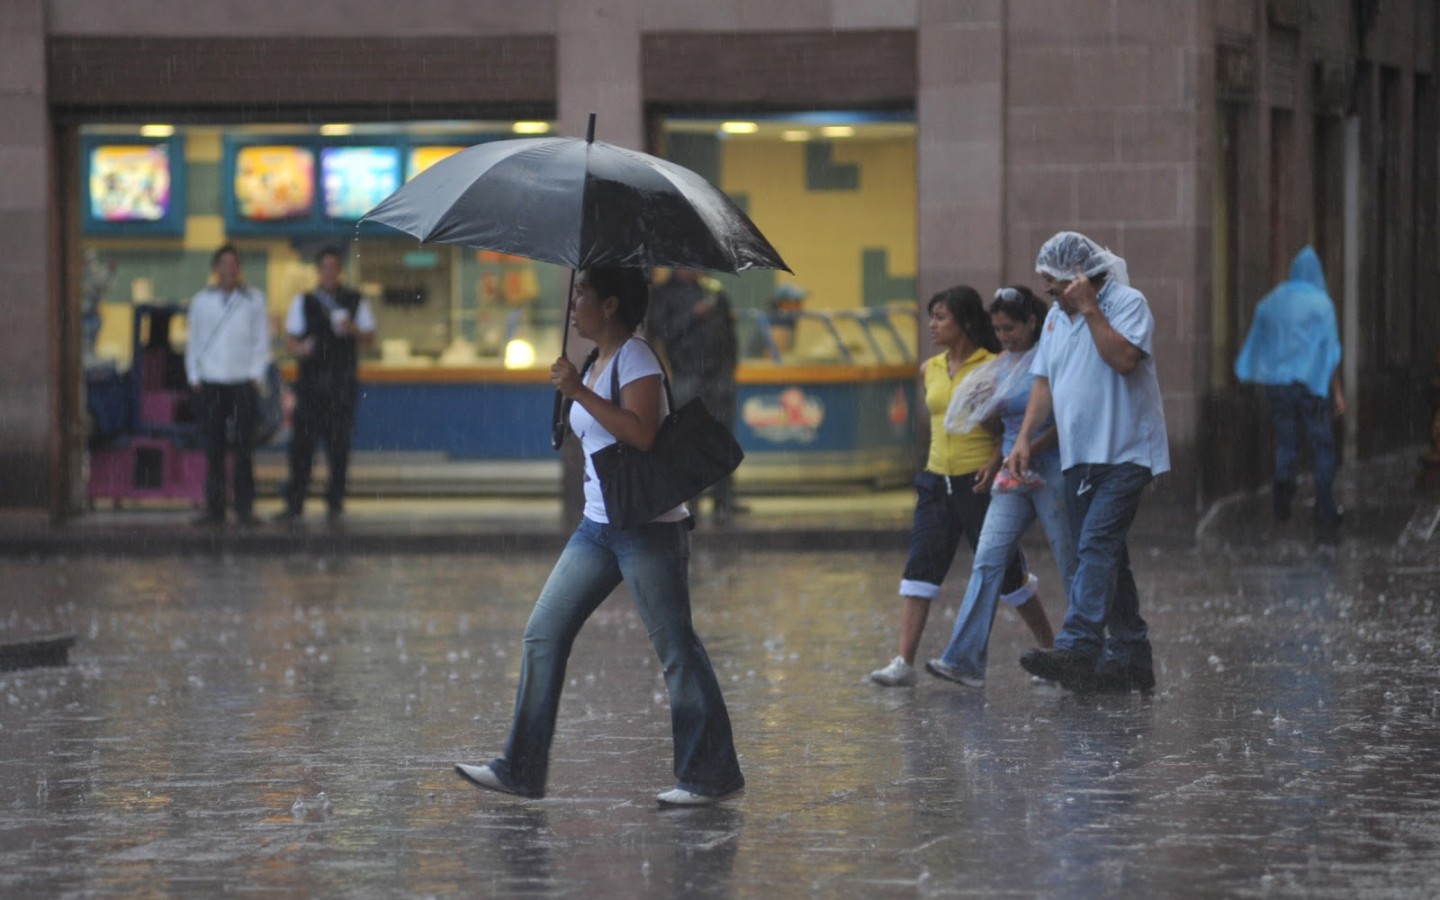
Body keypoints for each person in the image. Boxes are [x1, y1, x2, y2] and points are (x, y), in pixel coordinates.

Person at [455, 267, 744, 806]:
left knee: (677, 649)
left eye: (583, 294)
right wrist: (577, 387)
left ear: (610, 305)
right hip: (597, 525)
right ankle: (520, 767)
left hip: (646, 528)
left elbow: (641, 432)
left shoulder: (635, 356)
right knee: (544, 632)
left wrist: (578, 392)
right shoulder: (595, 359)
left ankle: (710, 775)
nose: (575, 303)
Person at [1008, 232, 1170, 694]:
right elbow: (1043, 383)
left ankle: (1079, 645)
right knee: (1108, 555)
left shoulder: (1127, 303)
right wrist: (1024, 440)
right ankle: (1131, 654)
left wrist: (1090, 309)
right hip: (1079, 457)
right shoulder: (1056, 322)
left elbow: (1123, 360)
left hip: (1126, 451)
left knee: (1096, 545)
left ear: (1078, 278)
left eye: (1052, 283)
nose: (1047, 293)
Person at [868, 285, 1046, 688]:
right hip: (935, 480)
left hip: (978, 482)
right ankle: (903, 661)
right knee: (920, 568)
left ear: (965, 322)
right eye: (931, 316)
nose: (932, 324)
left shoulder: (994, 365)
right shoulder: (928, 368)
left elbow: (1007, 426)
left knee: (1008, 574)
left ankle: (1050, 646)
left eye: (941, 317)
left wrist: (994, 459)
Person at [926, 286, 1070, 688]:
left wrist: (1029, 447)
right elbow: (994, 426)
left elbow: (1066, 423)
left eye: (1011, 328)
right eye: (998, 329)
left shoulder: (1051, 360)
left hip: (1051, 468)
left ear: (1032, 323)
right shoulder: (1001, 366)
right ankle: (965, 659)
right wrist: (984, 409)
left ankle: (1080, 650)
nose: (1004, 336)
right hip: (1011, 473)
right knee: (988, 558)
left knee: (1069, 557)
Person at [1234, 246, 1345, 544]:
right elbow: (1331, 351)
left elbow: (1261, 336)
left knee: (1287, 440)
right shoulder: (1322, 304)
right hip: (1312, 385)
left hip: (1279, 385)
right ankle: (1324, 507)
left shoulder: (1273, 301)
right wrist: (1337, 392)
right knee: (1322, 445)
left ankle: (1283, 483)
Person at [275, 246, 376, 525]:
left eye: (334, 267)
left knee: (339, 447)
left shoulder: (355, 300)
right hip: (310, 385)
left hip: (342, 385)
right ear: (318, 272)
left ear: (339, 271)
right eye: (325, 268)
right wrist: (301, 349)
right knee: (301, 447)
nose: (329, 273)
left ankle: (335, 502)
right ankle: (295, 502)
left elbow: (370, 337)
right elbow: (292, 341)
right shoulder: (304, 302)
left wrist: (352, 329)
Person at [645, 269, 742, 523]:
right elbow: (661, 332)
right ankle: (693, 499)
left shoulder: (713, 290)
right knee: (690, 439)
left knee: (722, 437)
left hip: (719, 374)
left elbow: (730, 331)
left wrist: (730, 368)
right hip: (688, 373)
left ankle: (725, 498)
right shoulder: (664, 294)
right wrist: (693, 315)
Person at [184, 244, 271, 528]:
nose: (229, 269)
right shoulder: (201, 301)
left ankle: (245, 509)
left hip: (243, 383)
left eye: (234, 264)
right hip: (211, 383)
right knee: (214, 449)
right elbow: (193, 342)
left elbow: (261, 341)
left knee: (245, 449)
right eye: (223, 264)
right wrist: (194, 377)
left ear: (239, 268)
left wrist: (256, 374)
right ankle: (215, 509)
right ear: (215, 269)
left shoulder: (254, 301)